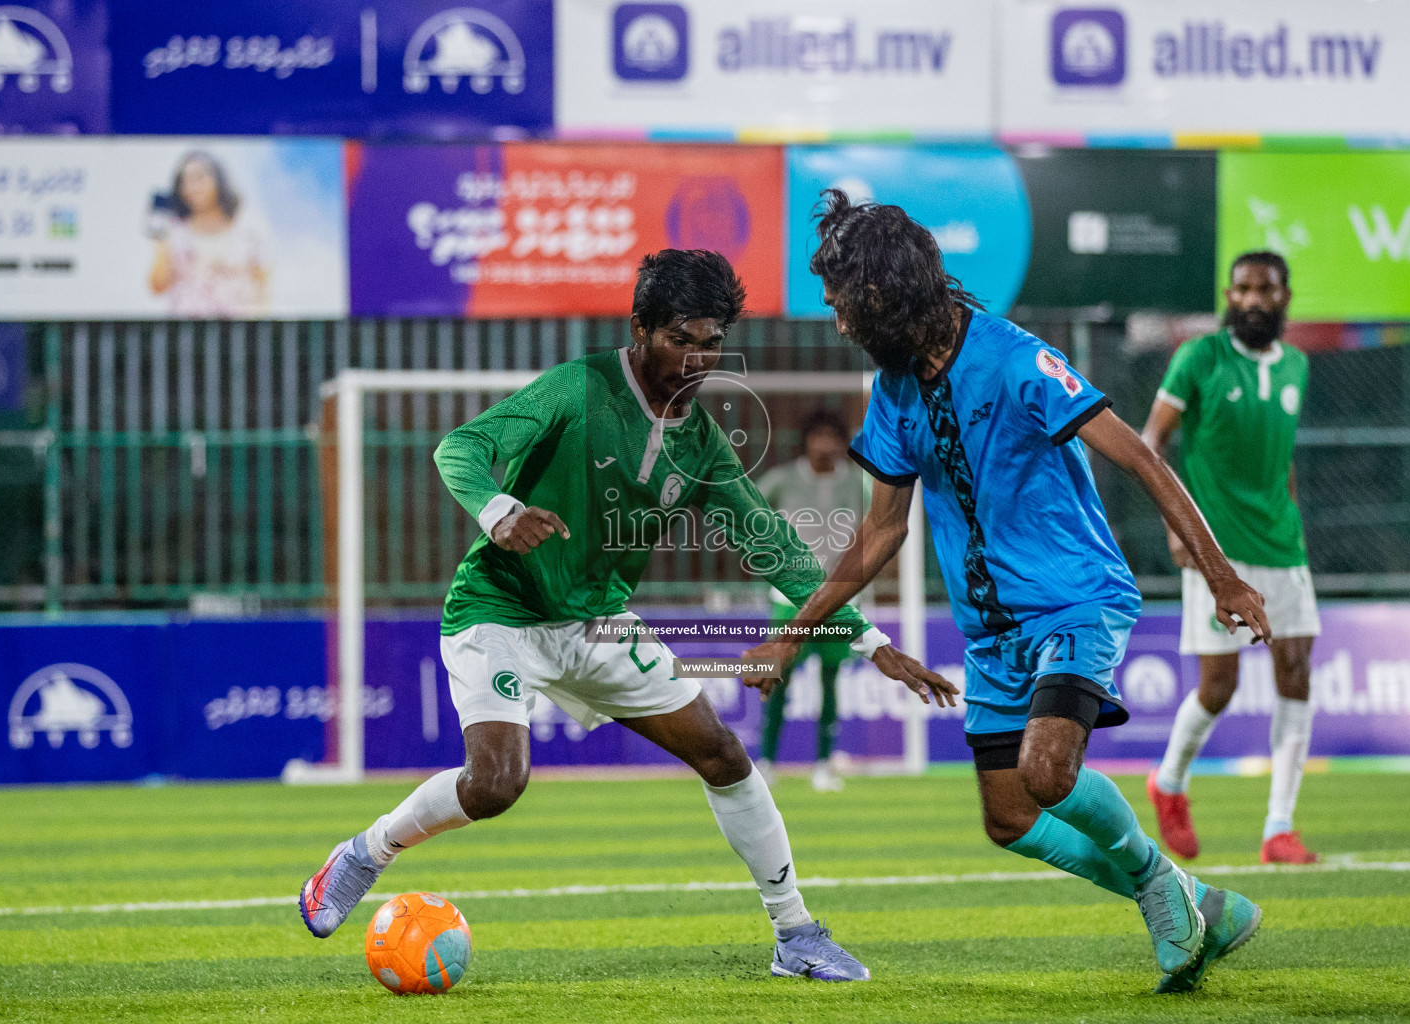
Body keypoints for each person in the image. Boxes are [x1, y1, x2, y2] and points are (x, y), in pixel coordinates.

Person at [299, 249, 957, 982]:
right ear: (640, 328)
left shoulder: (702, 441)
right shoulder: (578, 390)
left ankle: (795, 934)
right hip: (501, 610)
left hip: (600, 625)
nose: (699, 357)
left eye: (712, 342)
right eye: (682, 338)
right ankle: (365, 853)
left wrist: (867, 640)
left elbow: (772, 546)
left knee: (724, 755)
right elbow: (462, 447)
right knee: (495, 784)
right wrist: (499, 511)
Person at [743, 191, 1268, 994]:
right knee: (1009, 817)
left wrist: (1221, 572)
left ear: (884, 290)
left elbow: (1141, 458)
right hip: (990, 632)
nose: (840, 323)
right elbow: (882, 531)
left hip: (1073, 600)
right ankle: (1197, 903)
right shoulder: (892, 390)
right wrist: (795, 632)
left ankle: (1163, 888)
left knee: (1047, 772)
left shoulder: (1016, 358)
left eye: (844, 303)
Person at [1143, 251, 1320, 866]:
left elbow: (1283, 459)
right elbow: (1151, 442)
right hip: (1216, 554)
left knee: (1295, 671)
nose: (1251, 299)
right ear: (1228, 293)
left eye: (1264, 289)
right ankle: (1168, 783)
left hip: (1283, 546)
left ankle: (1279, 828)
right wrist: (1177, 528)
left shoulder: (1297, 364)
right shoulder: (1199, 357)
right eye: (1241, 288)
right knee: (1219, 688)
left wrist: (1291, 523)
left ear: (1284, 297)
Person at [754, 409, 870, 792]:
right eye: (818, 437)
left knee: (831, 682)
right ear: (806, 440)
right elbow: (745, 510)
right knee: (778, 678)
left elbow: (881, 525)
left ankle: (823, 764)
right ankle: (767, 762)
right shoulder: (783, 480)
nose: (825, 445)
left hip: (840, 599)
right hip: (789, 598)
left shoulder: (857, 484)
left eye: (832, 438)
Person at [147, 150, 269, 318]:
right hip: (186, 332)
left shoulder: (248, 229)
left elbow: (263, 283)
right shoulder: (176, 231)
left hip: (237, 331)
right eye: (185, 181)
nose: (192, 187)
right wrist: (160, 242)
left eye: (199, 178)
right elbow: (158, 286)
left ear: (218, 180)